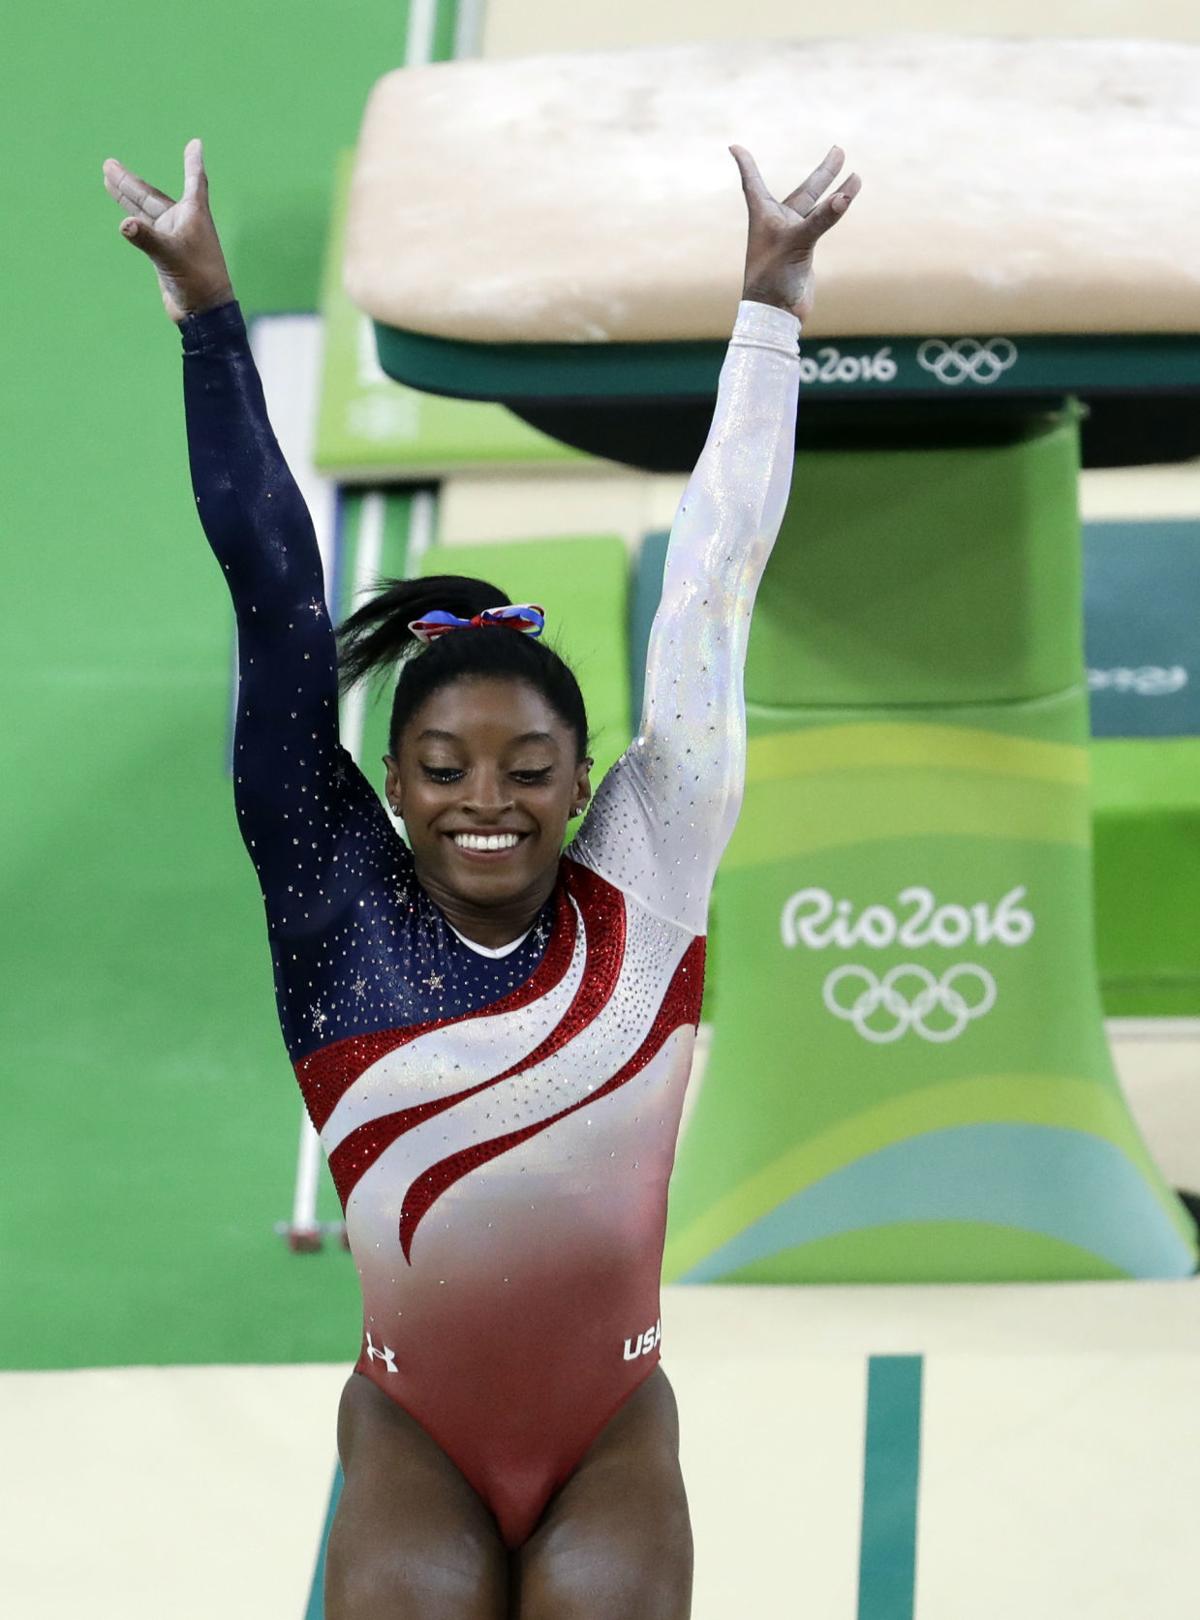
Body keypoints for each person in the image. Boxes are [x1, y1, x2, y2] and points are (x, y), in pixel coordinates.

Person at [102, 134, 859, 1620]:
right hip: (415, 1429)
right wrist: (207, 313)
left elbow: (716, 576)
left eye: (528, 771)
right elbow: (272, 597)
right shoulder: (333, 896)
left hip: (608, 1434)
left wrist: (771, 304)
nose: (488, 804)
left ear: (593, 781)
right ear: (391, 787)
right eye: (444, 771)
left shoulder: (650, 867)